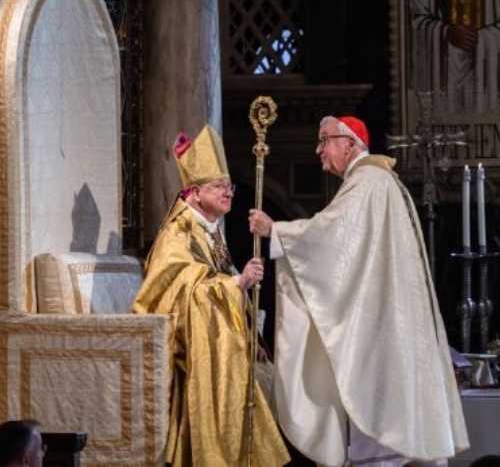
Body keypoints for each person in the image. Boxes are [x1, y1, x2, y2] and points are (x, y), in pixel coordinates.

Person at [249, 116, 470, 466]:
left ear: (350, 143)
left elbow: (332, 238)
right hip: (390, 322)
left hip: (379, 332)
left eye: (325, 140)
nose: (318, 149)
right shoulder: (377, 181)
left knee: (382, 443)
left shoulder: (367, 183)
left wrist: (275, 230)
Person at [132, 124, 289, 466]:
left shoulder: (210, 230)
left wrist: (251, 333)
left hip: (208, 329)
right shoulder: (177, 234)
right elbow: (177, 292)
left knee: (256, 363)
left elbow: (213, 282)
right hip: (180, 338)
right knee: (231, 361)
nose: (228, 193)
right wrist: (238, 283)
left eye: (229, 186)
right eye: (219, 186)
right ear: (195, 192)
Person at [409, 0, 500, 114]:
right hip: (440, 85)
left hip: (484, 87)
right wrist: (446, 32)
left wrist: (481, 37)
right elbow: (412, 27)